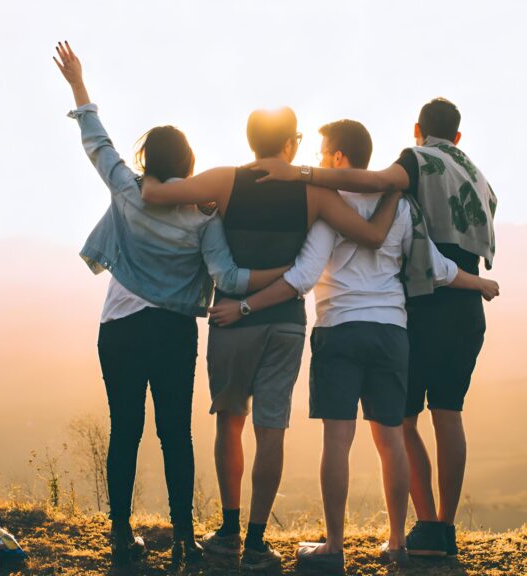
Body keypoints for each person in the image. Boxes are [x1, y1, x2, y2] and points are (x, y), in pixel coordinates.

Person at [210, 120, 499, 572]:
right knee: (391, 440)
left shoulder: (330, 206)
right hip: (392, 333)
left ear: (340, 158)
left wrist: (244, 307)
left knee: (338, 441)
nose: (321, 161)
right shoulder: (400, 206)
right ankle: (398, 542)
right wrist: (478, 282)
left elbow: (302, 278)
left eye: (325, 153)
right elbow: (436, 266)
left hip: (340, 330)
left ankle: (335, 547)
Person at [53, 42, 289, 573]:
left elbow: (97, 143)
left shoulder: (129, 191)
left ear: (146, 161)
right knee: (175, 433)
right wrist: (287, 275)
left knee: (125, 430)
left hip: (119, 327)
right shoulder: (203, 215)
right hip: (173, 332)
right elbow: (226, 277)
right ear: (189, 163)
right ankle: (183, 538)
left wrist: (78, 84)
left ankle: (120, 537)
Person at [140, 108, 402, 570]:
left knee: (229, 421)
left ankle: (227, 530)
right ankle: (258, 541)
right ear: (289, 146)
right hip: (284, 322)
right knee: (271, 429)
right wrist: (395, 190)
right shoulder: (313, 193)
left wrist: (145, 179)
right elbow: (371, 235)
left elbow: (159, 193)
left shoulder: (224, 181)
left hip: (231, 320)